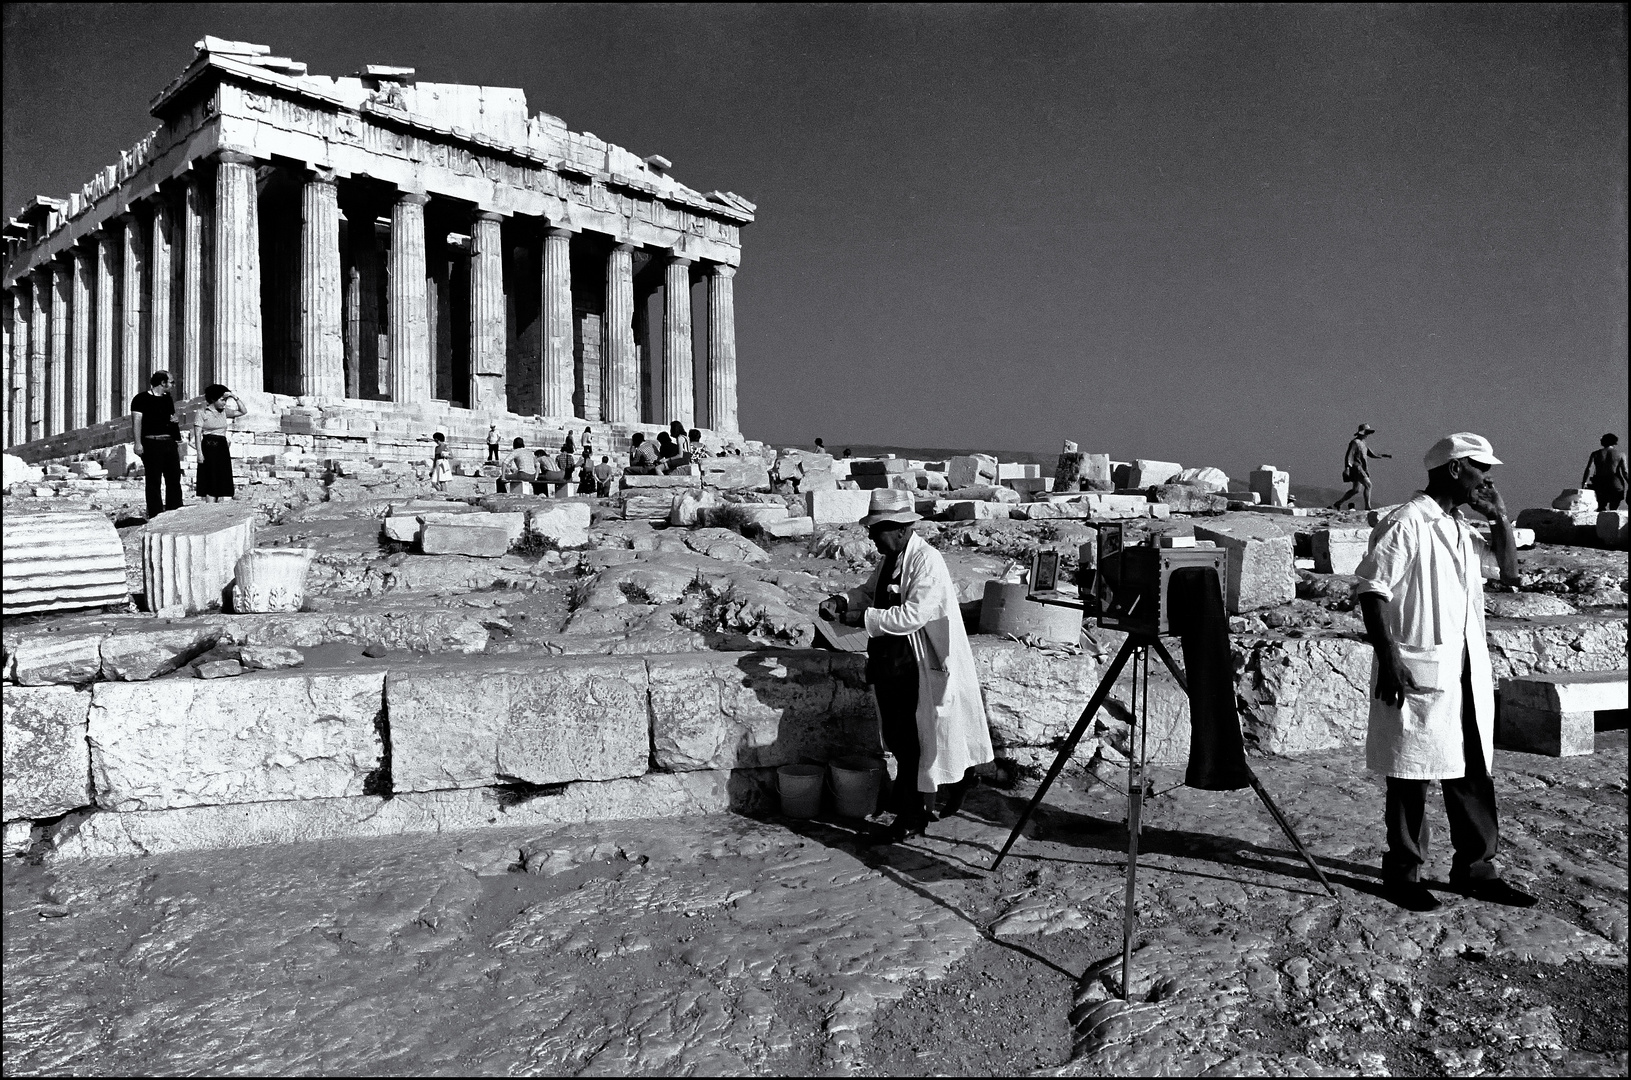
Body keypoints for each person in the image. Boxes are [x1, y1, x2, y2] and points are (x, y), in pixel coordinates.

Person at [1353, 432, 1533, 913]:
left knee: (1473, 768)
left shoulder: (1456, 525)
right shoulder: (1407, 522)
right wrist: (1388, 659)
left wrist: (1498, 515)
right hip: (1419, 668)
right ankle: (1404, 871)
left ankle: (1477, 868)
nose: (1487, 477)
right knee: (1411, 772)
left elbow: (1510, 573)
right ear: (1456, 469)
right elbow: (1372, 590)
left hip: (1465, 669)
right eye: (1481, 468)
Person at [820, 488, 993, 843]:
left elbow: (913, 615)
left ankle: (914, 816)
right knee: (899, 737)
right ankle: (955, 780)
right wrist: (843, 600)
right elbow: (871, 592)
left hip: (915, 664)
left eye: (876, 529)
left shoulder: (926, 562)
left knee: (912, 740)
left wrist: (859, 619)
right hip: (891, 661)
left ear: (899, 529)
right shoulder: (890, 559)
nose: (870, 536)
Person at [131, 370, 184, 519]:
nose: (173, 385)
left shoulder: (167, 399)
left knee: (174, 479)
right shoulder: (140, 398)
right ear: (163, 383)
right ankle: (155, 515)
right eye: (171, 382)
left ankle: (175, 512)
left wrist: (176, 434)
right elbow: (136, 421)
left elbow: (171, 418)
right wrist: (137, 443)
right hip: (151, 443)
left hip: (169, 442)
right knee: (154, 481)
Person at [192, 384, 244, 502]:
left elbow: (243, 411)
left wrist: (234, 397)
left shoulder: (224, 412)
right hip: (208, 447)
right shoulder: (202, 412)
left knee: (222, 479)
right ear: (213, 399)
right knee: (210, 479)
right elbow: (197, 434)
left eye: (225, 400)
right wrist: (199, 454)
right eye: (222, 399)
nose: (224, 402)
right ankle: (210, 508)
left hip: (222, 447)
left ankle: (218, 509)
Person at [1333, 424, 1392, 510]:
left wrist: (1383, 455)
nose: (1367, 435)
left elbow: (1371, 454)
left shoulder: (1363, 443)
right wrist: (1347, 468)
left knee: (1356, 490)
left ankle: (1338, 503)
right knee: (1368, 485)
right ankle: (1368, 507)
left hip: (1360, 468)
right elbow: (1349, 455)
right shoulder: (1355, 442)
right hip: (1356, 468)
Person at [1582, 433, 1627, 512]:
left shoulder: (1596, 453)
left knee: (1600, 507)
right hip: (1615, 483)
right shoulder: (1621, 454)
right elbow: (1625, 472)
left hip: (1600, 483)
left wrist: (1584, 482)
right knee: (1614, 509)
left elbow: (1589, 468)